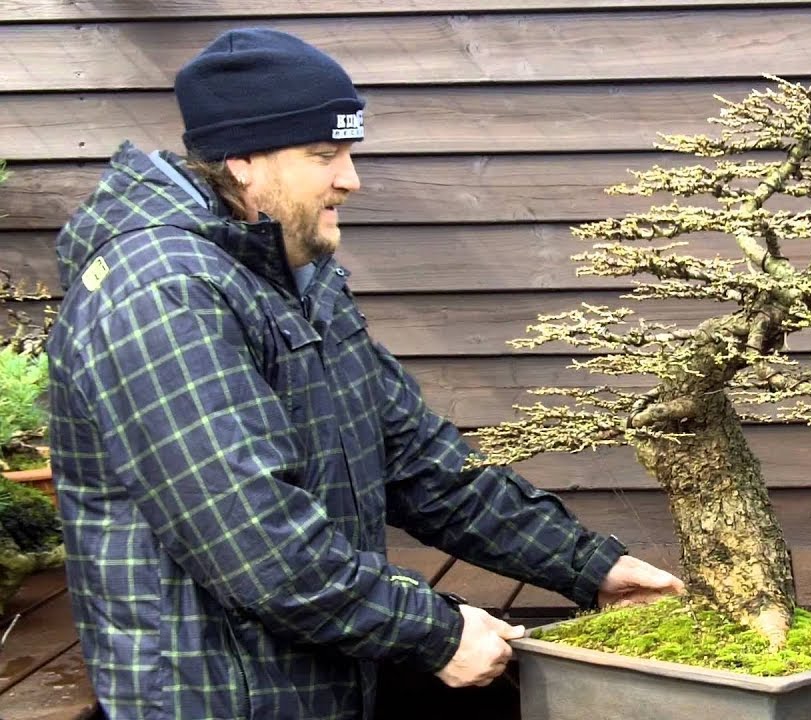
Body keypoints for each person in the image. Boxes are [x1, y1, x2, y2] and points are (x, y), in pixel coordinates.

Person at [47, 28, 684, 720]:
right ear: (242, 161)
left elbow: (415, 462)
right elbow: (257, 543)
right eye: (324, 155)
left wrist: (588, 567)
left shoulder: (293, 276)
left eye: (348, 151)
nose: (350, 177)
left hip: (321, 680)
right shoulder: (159, 291)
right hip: (219, 696)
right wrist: (436, 632)